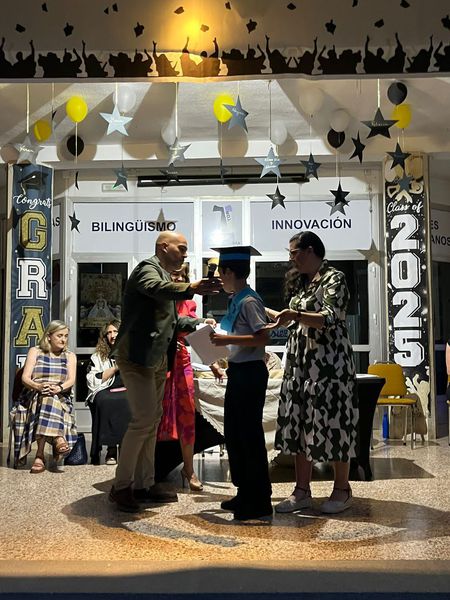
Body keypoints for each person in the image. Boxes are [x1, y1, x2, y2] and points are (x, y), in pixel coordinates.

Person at [109, 231, 222, 512]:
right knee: (144, 420)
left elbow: (172, 321)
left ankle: (144, 483)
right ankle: (121, 486)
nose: (185, 253)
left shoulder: (164, 275)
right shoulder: (147, 269)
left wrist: (197, 322)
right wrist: (191, 287)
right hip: (137, 358)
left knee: (151, 421)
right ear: (163, 247)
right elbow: (155, 288)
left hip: (155, 359)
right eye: (181, 248)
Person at [266, 231, 358, 514]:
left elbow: (330, 317)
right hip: (300, 365)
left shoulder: (334, 278)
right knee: (300, 422)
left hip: (330, 367)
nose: (291, 258)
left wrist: (294, 315)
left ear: (309, 250)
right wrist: (270, 313)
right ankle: (302, 491)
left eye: (293, 252)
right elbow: (294, 320)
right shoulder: (301, 282)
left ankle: (342, 489)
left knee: (335, 423)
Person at [210, 246, 272, 521]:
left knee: (249, 435)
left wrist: (226, 340)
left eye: (220, 272)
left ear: (229, 272)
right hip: (238, 371)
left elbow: (262, 337)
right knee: (235, 434)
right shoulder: (236, 299)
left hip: (250, 373)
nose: (219, 278)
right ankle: (245, 491)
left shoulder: (248, 301)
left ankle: (259, 499)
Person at [157, 264, 217, 492]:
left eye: (181, 276)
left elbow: (195, 335)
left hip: (181, 362)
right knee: (155, 416)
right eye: (174, 275)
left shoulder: (189, 303)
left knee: (186, 416)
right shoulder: (159, 300)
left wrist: (213, 365)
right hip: (159, 362)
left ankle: (189, 470)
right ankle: (149, 469)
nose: (178, 279)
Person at [13, 320, 77, 473]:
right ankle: (58, 439)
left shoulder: (70, 356)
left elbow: (71, 380)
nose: (63, 339)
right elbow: (25, 378)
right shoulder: (35, 351)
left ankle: (40, 455)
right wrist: (38, 386)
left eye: (66, 336)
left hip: (60, 396)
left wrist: (59, 388)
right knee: (47, 397)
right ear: (49, 336)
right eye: (59, 336)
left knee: (50, 398)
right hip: (33, 394)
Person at [86, 319, 130, 465]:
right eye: (109, 333)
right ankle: (111, 449)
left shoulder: (132, 351)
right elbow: (93, 379)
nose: (112, 335)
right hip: (106, 389)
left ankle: (125, 447)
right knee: (105, 400)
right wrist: (115, 368)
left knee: (129, 400)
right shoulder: (98, 356)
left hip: (129, 389)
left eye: (115, 331)